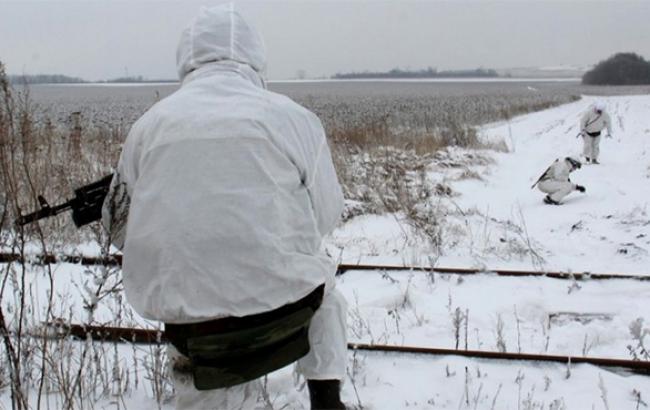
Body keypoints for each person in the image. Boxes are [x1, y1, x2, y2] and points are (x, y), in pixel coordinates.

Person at [102, 5, 347, 410]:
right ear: (255, 54)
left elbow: (119, 231)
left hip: (194, 332)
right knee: (328, 292)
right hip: (286, 314)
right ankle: (326, 399)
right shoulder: (295, 119)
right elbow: (326, 214)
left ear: (187, 57)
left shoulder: (148, 127)